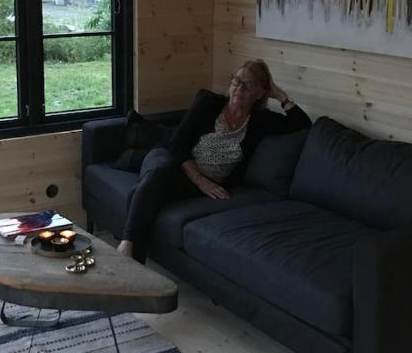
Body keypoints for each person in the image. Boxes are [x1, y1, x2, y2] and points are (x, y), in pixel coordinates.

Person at [117, 59, 311, 262]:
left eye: (248, 85)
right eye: (236, 81)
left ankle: (130, 263)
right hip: (173, 159)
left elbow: (302, 123)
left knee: (144, 191)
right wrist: (200, 180)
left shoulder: (262, 121)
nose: (239, 88)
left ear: (261, 93)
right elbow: (178, 144)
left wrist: (279, 94)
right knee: (157, 174)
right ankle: (127, 248)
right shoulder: (209, 103)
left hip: (201, 183)